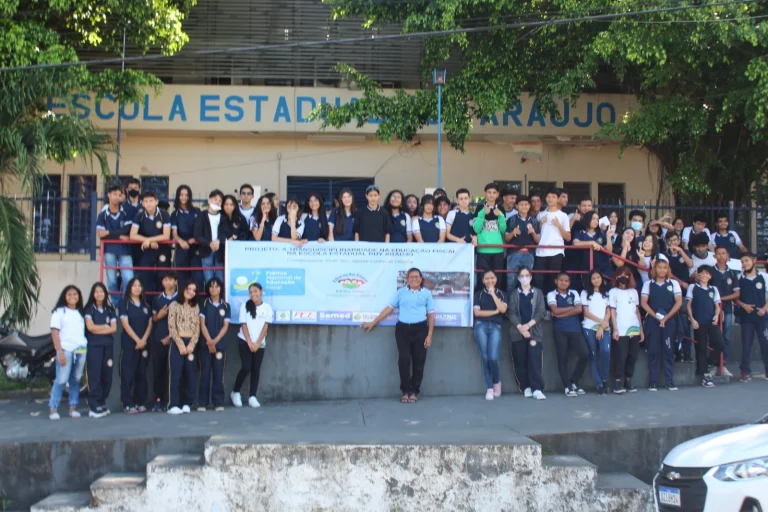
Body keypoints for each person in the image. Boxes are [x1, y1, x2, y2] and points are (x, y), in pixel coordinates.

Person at [362, 268, 435, 403]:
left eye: (416, 276)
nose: (414, 279)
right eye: (411, 277)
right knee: (404, 360)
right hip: (402, 330)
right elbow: (389, 308)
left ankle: (414, 391)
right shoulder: (401, 293)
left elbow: (431, 315)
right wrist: (373, 323)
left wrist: (429, 335)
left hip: (420, 329)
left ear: (421, 278)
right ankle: (405, 390)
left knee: (419, 361)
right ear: (407, 279)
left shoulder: (427, 294)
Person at [640, 258, 683, 391]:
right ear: (655, 269)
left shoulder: (674, 283)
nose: (662, 270)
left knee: (669, 350)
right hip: (653, 320)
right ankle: (653, 382)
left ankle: (669, 381)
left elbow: (678, 302)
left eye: (665, 267)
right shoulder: (648, 284)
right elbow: (644, 303)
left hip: (669, 321)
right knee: (653, 350)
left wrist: (666, 318)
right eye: (659, 267)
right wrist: (656, 317)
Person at [48, 286, 87, 420]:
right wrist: (60, 352)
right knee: (61, 379)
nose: (72, 296)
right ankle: (53, 409)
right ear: (64, 296)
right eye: (69, 294)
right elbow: (55, 333)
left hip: (81, 349)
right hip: (66, 350)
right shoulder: (59, 312)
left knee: (75, 380)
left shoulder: (81, 312)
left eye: (75, 294)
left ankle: (73, 408)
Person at [231, 283, 273, 408]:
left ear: (261, 291)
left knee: (256, 369)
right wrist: (249, 342)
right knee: (246, 367)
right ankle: (235, 392)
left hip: (259, 343)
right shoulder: (245, 306)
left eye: (255, 291)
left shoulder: (267, 308)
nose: (253, 294)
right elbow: (243, 324)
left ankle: (252, 396)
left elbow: (266, 326)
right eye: (250, 292)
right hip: (245, 342)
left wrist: (258, 343)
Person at [508, 267, 547, 400]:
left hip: (534, 333)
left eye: (527, 275)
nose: (525, 278)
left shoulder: (538, 293)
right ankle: (525, 387)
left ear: (531, 276)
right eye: (522, 276)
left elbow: (541, 312)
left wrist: (529, 326)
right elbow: (511, 312)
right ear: (518, 278)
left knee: (535, 360)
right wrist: (520, 328)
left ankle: (537, 388)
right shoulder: (514, 294)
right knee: (520, 361)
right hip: (517, 333)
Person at [547, 272, 588, 397]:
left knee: (584, 354)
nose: (563, 283)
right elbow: (554, 310)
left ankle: (574, 381)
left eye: (566, 281)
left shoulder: (574, 293)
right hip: (560, 330)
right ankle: (567, 386)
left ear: (569, 282)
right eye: (561, 280)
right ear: (556, 281)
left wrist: (560, 314)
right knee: (562, 358)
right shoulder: (551, 294)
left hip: (575, 329)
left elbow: (579, 309)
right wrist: (571, 309)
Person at [685, 265, 724, 388]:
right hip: (698, 322)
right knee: (701, 347)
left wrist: (717, 316)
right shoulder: (693, 287)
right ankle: (706, 376)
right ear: (698, 274)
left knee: (720, 344)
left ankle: (707, 364)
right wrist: (692, 319)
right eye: (702, 273)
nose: (704, 276)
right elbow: (688, 305)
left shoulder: (714, 289)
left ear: (710, 276)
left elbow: (717, 305)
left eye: (707, 274)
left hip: (711, 321)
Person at [472, 271, 508, 400]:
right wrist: (494, 311)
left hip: (496, 327)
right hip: (481, 326)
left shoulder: (502, 294)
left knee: (493, 357)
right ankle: (489, 388)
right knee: (485, 357)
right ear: (482, 281)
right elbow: (477, 313)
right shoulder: (478, 294)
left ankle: (496, 382)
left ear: (496, 279)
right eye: (486, 278)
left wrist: (493, 294)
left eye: (492, 278)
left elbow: (503, 310)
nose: (489, 280)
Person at [166, 280, 200, 415]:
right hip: (177, 342)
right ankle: (173, 404)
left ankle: (187, 403)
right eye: (189, 288)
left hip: (191, 343)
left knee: (190, 374)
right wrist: (180, 345)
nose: (191, 292)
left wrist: (191, 344)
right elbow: (171, 326)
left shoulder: (195, 306)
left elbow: (197, 328)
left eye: (194, 290)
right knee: (176, 374)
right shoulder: (174, 304)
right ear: (183, 289)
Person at [119, 277, 152, 414]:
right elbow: (125, 324)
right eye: (134, 285)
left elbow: (150, 323)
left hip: (144, 344)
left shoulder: (145, 305)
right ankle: (128, 403)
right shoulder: (124, 304)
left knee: (141, 373)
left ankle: (140, 402)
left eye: (139, 285)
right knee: (128, 373)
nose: (137, 288)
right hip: (130, 344)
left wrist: (143, 339)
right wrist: (137, 340)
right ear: (129, 288)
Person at [97, 184, 134, 306]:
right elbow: (100, 233)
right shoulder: (103, 214)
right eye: (114, 194)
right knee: (111, 279)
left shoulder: (126, 212)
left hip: (125, 251)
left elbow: (127, 230)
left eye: (119, 195)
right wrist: (118, 235)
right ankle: (116, 304)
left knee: (128, 278)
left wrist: (109, 233)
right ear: (108, 195)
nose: (117, 197)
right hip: (109, 250)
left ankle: (126, 303)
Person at [84, 283, 117, 418]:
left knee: (106, 375)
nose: (99, 294)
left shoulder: (110, 310)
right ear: (93, 294)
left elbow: (114, 328)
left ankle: (102, 402)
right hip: (94, 347)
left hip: (107, 346)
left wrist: (100, 328)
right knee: (95, 374)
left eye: (102, 291)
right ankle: (94, 405)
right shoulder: (89, 310)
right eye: (96, 292)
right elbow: (90, 328)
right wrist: (105, 326)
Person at [609, 267, 644, 394]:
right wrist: (615, 329)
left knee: (632, 356)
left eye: (626, 275)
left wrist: (641, 328)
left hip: (633, 328)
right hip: (621, 328)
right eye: (620, 275)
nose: (623, 277)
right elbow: (612, 311)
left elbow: (637, 310)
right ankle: (618, 381)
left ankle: (628, 380)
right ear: (616, 277)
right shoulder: (613, 292)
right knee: (620, 356)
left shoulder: (634, 292)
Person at [734, 252, 768, 382]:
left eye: (746, 261)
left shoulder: (764, 277)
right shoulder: (738, 277)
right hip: (746, 316)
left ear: (754, 261)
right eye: (742, 262)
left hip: (762, 316)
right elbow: (735, 298)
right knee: (746, 344)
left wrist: (765, 309)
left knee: (765, 343)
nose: (744, 264)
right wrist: (744, 306)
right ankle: (745, 372)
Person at [198, 278, 231, 412]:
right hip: (205, 344)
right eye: (211, 287)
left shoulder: (226, 306)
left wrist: (215, 341)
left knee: (218, 374)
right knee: (204, 374)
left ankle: (218, 402)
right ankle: (202, 403)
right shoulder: (204, 304)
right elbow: (202, 324)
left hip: (220, 345)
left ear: (220, 289)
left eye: (216, 287)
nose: (214, 289)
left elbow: (225, 327)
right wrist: (209, 341)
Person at [129, 191, 171, 294]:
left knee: (162, 277)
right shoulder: (140, 215)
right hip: (147, 249)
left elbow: (166, 235)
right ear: (142, 203)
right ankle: (147, 304)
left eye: (151, 201)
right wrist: (147, 241)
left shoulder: (164, 214)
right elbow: (132, 235)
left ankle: (162, 303)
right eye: (146, 201)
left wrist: (149, 240)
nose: (148, 203)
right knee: (145, 277)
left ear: (156, 202)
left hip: (162, 249)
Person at [149, 271, 177, 412]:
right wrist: (159, 315)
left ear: (175, 282)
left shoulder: (181, 298)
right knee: (159, 370)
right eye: (165, 280)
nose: (167, 282)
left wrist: (171, 336)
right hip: (159, 339)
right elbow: (153, 319)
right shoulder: (157, 299)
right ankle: (158, 400)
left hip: (176, 340)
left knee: (173, 371)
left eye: (170, 279)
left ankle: (171, 400)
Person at [534, 188, 571, 296]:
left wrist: (558, 225)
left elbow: (568, 237)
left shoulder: (563, 215)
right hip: (541, 252)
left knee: (553, 281)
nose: (550, 199)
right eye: (548, 197)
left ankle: (551, 306)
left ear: (558, 199)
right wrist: (540, 224)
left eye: (553, 197)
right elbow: (536, 234)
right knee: (538, 280)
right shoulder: (540, 215)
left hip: (556, 252)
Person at [665, 231, 695, 363]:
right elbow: (668, 273)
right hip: (670, 292)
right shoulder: (665, 255)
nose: (673, 243)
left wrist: (681, 251)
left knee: (684, 323)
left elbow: (690, 264)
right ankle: (676, 351)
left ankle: (686, 352)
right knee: (672, 324)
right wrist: (680, 282)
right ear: (667, 242)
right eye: (671, 241)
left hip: (683, 294)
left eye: (675, 240)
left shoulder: (685, 253)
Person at [580, 270, 611, 395]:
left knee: (606, 351)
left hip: (604, 328)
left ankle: (604, 379)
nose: (596, 280)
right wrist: (600, 322)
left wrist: (602, 326)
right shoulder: (585, 293)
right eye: (593, 278)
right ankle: (599, 384)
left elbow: (608, 311)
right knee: (593, 355)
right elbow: (586, 313)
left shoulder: (606, 293)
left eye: (598, 277)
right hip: (589, 327)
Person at [710, 246, 740, 376]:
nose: (721, 256)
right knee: (713, 337)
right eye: (718, 254)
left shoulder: (733, 273)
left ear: (728, 256)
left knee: (726, 337)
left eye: (724, 253)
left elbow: (736, 294)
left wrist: (721, 298)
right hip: (712, 310)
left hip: (727, 309)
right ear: (714, 256)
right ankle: (713, 364)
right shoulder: (710, 272)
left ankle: (723, 364)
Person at [474, 183, 507, 290]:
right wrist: (483, 213)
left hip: (498, 250)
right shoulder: (479, 207)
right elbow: (476, 229)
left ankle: (497, 301)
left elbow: (503, 229)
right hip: (482, 250)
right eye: (489, 192)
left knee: (498, 278)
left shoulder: (501, 208)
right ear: (485, 193)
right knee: (482, 278)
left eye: (494, 193)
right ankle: (482, 300)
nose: (491, 195)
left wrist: (500, 216)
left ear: (497, 194)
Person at [504, 195, 539, 292]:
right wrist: (513, 233)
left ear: (529, 206)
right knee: (511, 281)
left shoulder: (534, 220)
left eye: (526, 204)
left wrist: (533, 232)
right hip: (513, 254)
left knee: (526, 282)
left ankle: (525, 304)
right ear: (517, 206)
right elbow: (506, 238)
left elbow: (538, 240)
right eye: (521, 204)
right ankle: (511, 306)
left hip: (529, 254)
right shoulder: (512, 220)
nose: (524, 206)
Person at [171, 185, 203, 290]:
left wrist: (195, 238)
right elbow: (174, 233)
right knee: (182, 277)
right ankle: (182, 303)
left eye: (186, 195)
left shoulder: (197, 211)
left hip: (195, 248)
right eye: (181, 195)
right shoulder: (174, 214)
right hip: (181, 248)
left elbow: (201, 228)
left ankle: (197, 303)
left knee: (197, 276)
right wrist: (181, 241)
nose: (184, 197)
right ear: (178, 196)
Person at [573, 211, 614, 286]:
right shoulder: (580, 232)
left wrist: (608, 237)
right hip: (586, 268)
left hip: (603, 268)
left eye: (597, 219)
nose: (596, 221)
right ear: (587, 219)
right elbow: (575, 244)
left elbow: (609, 251)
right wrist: (592, 242)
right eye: (593, 218)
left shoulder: (601, 233)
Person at [194, 189, 225, 284]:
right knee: (208, 278)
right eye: (215, 199)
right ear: (209, 200)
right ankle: (209, 298)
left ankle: (219, 298)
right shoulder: (202, 215)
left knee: (220, 277)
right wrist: (209, 243)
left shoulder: (223, 216)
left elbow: (225, 233)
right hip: (206, 250)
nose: (218, 202)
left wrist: (219, 241)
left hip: (220, 250)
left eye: (220, 201)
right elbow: (197, 234)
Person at [220, 194, 249, 259]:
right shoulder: (219, 217)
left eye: (231, 205)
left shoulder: (240, 218)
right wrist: (226, 240)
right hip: (222, 252)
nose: (228, 207)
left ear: (235, 206)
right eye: (226, 204)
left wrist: (236, 238)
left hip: (238, 252)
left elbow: (246, 234)